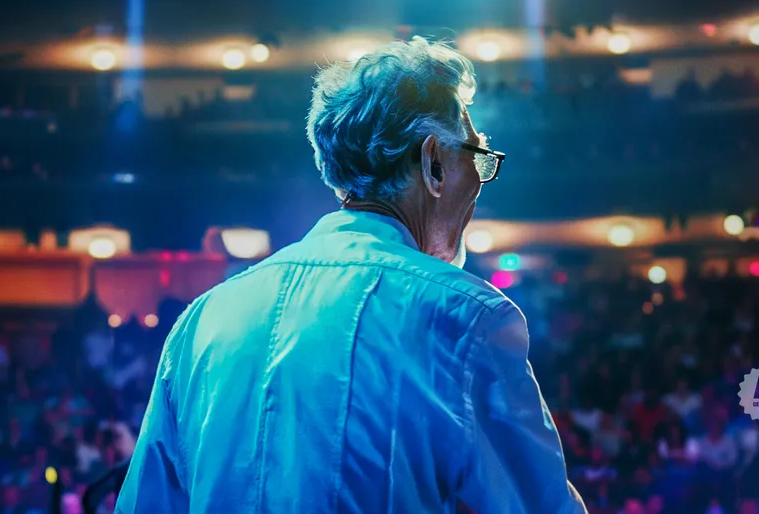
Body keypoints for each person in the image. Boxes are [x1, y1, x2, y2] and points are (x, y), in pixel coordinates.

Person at [117, 38, 586, 513]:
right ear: (434, 165)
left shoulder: (203, 320)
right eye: (477, 158)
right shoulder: (464, 319)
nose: (480, 183)